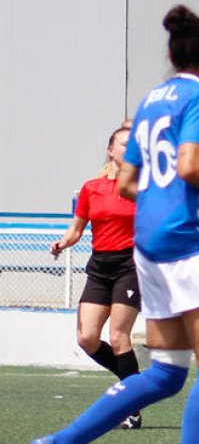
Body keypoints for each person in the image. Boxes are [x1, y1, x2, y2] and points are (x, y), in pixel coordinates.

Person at [35, 5, 199, 444]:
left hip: (149, 245)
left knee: (167, 372)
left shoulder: (151, 100)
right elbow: (190, 166)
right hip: (191, 244)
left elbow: (130, 182)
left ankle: (59, 442)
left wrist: (195, 200)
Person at [51, 125, 143, 430]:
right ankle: (134, 385)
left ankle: (131, 408)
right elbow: (76, 229)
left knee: (119, 338)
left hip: (130, 265)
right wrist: (63, 242)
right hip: (99, 267)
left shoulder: (144, 186)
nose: (128, 149)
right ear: (110, 149)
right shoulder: (92, 188)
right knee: (87, 338)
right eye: (123, 144)